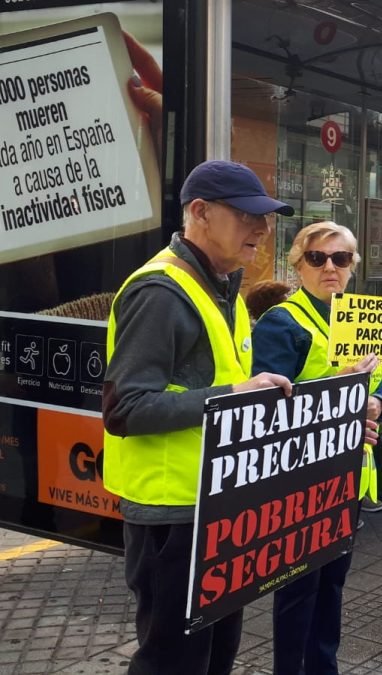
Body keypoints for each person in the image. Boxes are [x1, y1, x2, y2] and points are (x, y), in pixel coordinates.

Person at [102, 160, 296, 675]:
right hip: (172, 514)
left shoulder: (223, 287)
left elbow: (231, 389)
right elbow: (125, 408)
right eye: (247, 215)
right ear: (199, 213)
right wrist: (232, 394)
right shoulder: (161, 292)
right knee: (173, 660)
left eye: (266, 217)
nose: (262, 228)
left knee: (215, 654)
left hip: (215, 504)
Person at [251, 222, 382, 675]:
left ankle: (323, 669)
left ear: (354, 265)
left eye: (341, 258)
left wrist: (375, 402)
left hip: (348, 473)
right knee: (298, 590)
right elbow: (266, 405)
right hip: (300, 479)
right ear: (297, 266)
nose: (330, 267)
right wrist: (338, 389)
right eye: (318, 258)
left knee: (332, 583)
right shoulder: (282, 322)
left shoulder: (364, 314)